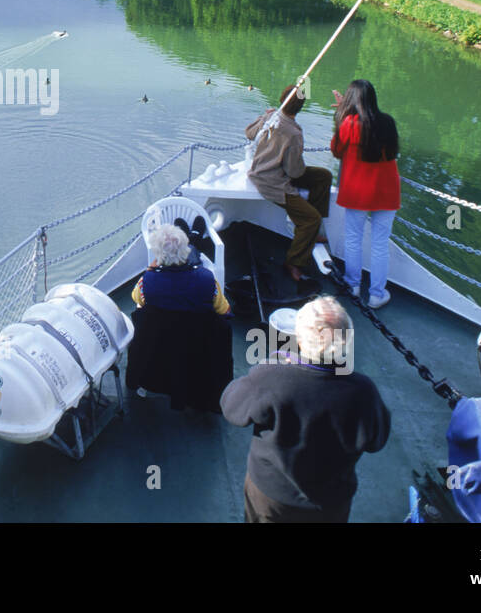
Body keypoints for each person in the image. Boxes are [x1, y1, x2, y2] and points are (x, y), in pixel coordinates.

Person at [222, 296, 390, 522]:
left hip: (272, 498)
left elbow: (231, 407)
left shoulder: (272, 375)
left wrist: (272, 364)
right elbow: (376, 441)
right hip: (329, 503)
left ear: (300, 338)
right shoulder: (363, 391)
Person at [126, 225, 233, 412]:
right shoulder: (207, 279)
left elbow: (137, 300)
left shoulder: (147, 281)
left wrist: (151, 269)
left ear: (158, 255)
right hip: (197, 349)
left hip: (161, 347)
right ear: (186, 250)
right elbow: (224, 310)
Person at [245, 84, 333, 281]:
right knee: (311, 219)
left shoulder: (272, 117)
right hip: (272, 182)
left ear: (281, 100)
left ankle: (313, 235)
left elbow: (249, 133)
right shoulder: (293, 132)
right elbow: (294, 171)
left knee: (323, 176)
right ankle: (294, 262)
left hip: (268, 171)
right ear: (301, 107)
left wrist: (264, 117)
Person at [331, 80, 400, 309]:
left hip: (358, 192)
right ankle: (377, 294)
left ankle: (353, 285)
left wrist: (341, 114)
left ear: (351, 100)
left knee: (353, 239)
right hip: (386, 190)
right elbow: (393, 152)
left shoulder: (348, 124)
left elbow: (336, 150)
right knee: (380, 244)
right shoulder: (388, 122)